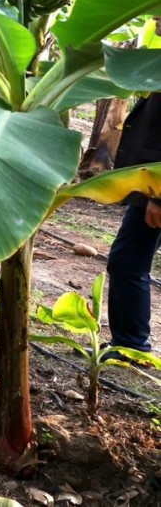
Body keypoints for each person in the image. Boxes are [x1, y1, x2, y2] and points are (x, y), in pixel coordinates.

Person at [106, 93, 161, 353]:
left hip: (155, 187)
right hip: (148, 184)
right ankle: (130, 341)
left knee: (127, 263)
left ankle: (132, 344)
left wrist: (158, 197)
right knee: (127, 262)